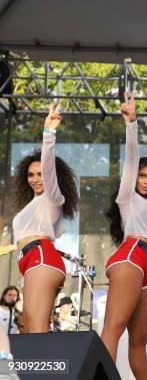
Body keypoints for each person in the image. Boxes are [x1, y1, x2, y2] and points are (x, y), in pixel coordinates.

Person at [101, 92, 147, 379]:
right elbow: (131, 159)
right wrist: (132, 124)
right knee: (113, 330)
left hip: (144, 269)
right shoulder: (127, 197)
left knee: (139, 341)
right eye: (143, 176)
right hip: (130, 259)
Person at [11, 102, 79, 333]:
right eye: (30, 175)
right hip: (32, 262)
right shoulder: (32, 205)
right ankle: (40, 370)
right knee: (30, 329)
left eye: (40, 174)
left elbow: (49, 172)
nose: (36, 179)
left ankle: (46, 370)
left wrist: (48, 134)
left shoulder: (52, 197)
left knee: (37, 329)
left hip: (41, 259)